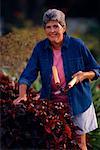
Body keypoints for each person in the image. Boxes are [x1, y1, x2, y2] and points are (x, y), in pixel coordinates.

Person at [13, 9, 100, 149]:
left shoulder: (77, 45)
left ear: (63, 27)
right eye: (48, 27)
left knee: (80, 144)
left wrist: (83, 75)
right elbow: (27, 75)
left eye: (56, 26)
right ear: (44, 29)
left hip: (78, 103)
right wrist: (22, 95)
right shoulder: (40, 48)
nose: (52, 30)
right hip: (52, 104)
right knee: (55, 144)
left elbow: (96, 70)